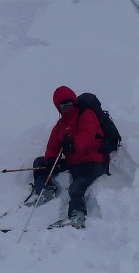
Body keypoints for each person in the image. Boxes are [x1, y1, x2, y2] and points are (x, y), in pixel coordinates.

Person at [27, 85, 107, 228]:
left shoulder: (86, 114)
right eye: (63, 106)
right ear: (59, 108)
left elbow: (88, 134)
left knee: (76, 187)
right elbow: (53, 145)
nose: (67, 109)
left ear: (74, 102)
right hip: (74, 162)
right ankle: (46, 192)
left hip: (93, 161)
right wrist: (51, 159)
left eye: (69, 104)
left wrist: (74, 145)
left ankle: (77, 216)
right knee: (40, 163)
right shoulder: (61, 125)